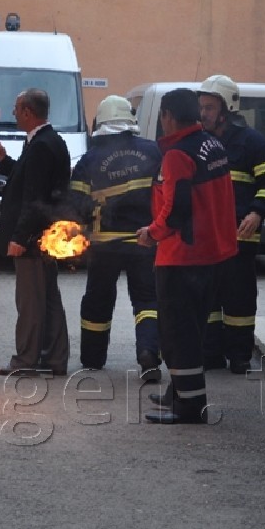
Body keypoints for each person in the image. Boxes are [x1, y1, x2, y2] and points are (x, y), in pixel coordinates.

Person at [137, 88, 238, 425]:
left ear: (167, 116)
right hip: (214, 252)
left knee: (178, 334)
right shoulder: (213, 144)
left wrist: (151, 234)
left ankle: (190, 407)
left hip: (183, 257)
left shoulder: (178, 154)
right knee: (192, 328)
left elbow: (176, 208)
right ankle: (178, 392)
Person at [198, 74, 265, 374]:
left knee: (239, 300)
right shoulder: (200, 142)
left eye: (209, 107)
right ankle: (209, 354)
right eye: (202, 107)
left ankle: (239, 356)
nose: (203, 113)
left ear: (227, 109)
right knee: (207, 300)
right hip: (207, 240)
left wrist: (257, 212)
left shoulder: (251, 142)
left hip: (239, 237)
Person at [68, 95, 161, 377]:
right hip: (144, 240)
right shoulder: (153, 152)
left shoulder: (90, 158)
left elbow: (76, 203)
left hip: (103, 244)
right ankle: (148, 353)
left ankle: (93, 358)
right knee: (146, 300)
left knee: (98, 299)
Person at [0, 89, 71, 376]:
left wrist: (19, 238)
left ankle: (26, 360)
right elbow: (29, 181)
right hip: (45, 236)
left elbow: (35, 199)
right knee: (47, 298)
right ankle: (55, 359)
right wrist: (5, 162)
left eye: (15, 108)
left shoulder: (42, 146)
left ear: (27, 112)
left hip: (35, 239)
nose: (13, 113)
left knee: (31, 302)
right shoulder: (45, 142)